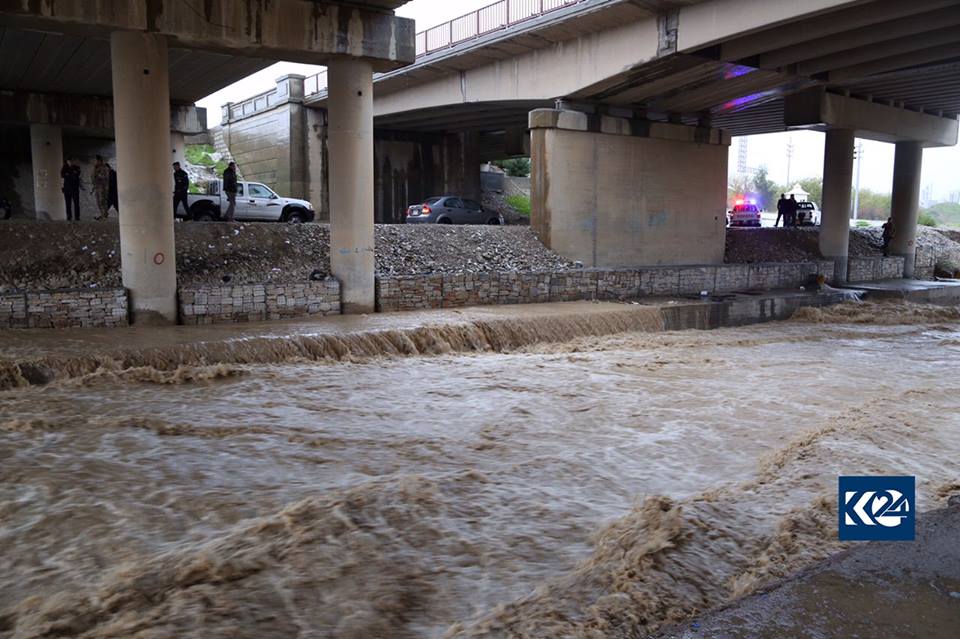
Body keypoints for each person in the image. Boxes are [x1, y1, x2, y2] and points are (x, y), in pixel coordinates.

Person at [92, 155, 111, 220]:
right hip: (97, 187)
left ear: (99, 161)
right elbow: (93, 177)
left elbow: (106, 178)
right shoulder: (95, 168)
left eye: (96, 160)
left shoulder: (104, 168)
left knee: (102, 201)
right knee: (98, 202)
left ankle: (104, 215)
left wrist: (98, 176)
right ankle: (103, 214)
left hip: (103, 187)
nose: (95, 162)